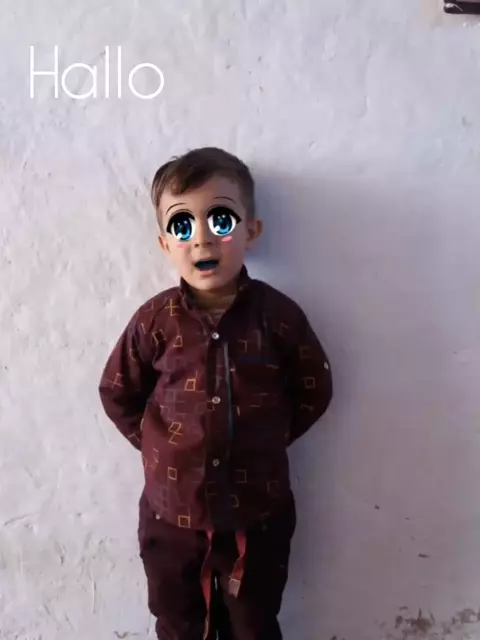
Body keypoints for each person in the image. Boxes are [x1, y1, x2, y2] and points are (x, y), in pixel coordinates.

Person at [98, 147, 333, 640]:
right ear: (165, 243)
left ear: (251, 230)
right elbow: (118, 391)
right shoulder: (155, 321)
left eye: (220, 220)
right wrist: (164, 447)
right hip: (171, 516)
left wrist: (266, 437)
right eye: (182, 225)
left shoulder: (278, 317)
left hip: (257, 513)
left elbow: (314, 388)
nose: (202, 237)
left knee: (253, 624)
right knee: (178, 622)